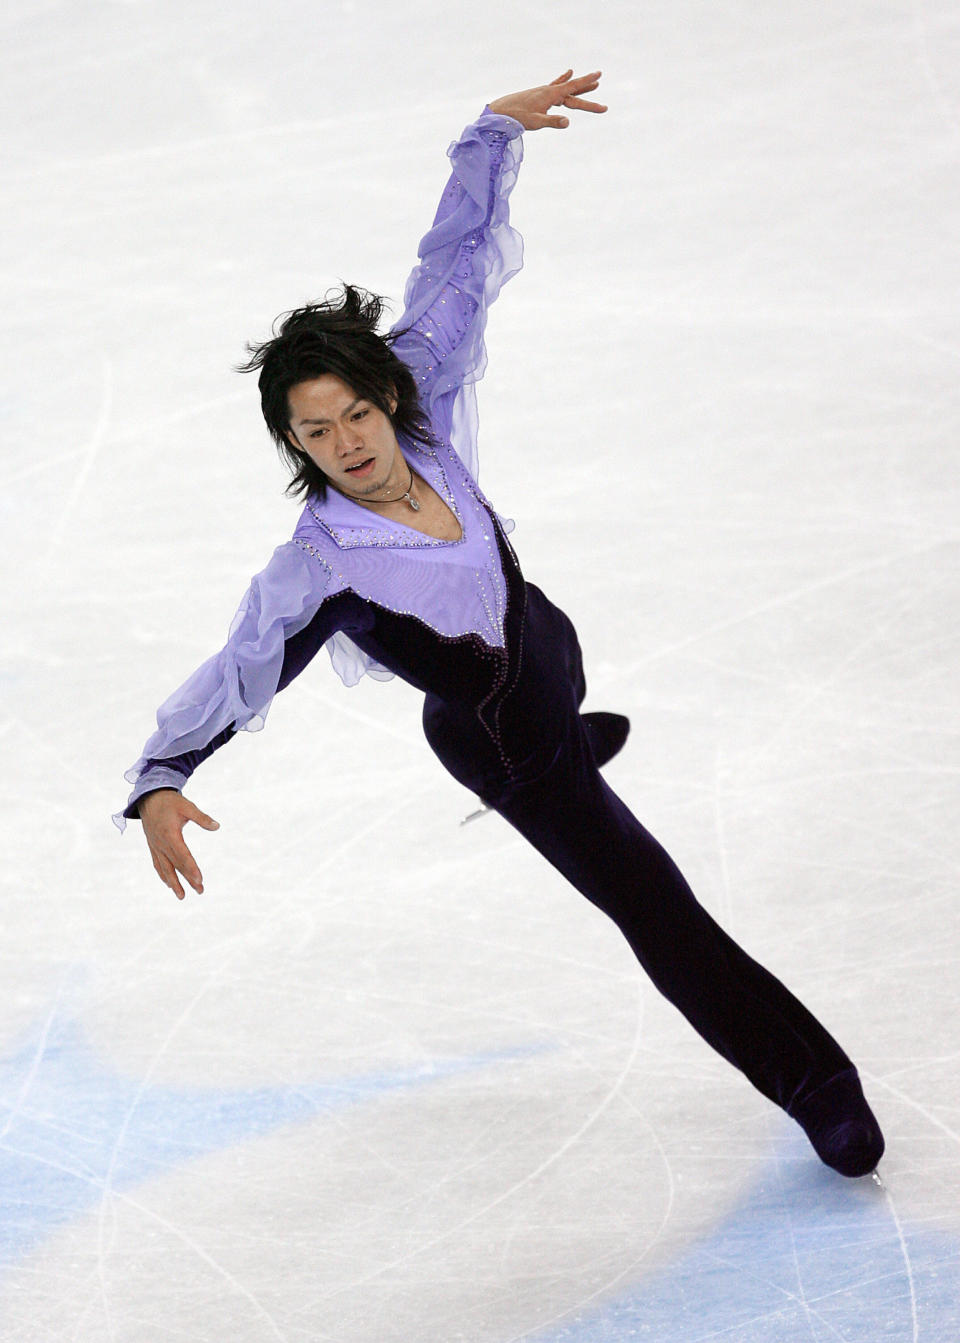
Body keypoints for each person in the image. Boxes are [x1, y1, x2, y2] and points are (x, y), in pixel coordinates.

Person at [114, 70, 885, 1179]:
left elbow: (455, 270)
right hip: (500, 738)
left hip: (540, 645)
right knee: (656, 903)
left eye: (357, 413)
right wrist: (162, 774)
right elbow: (243, 663)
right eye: (316, 431)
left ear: (385, 396)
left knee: (554, 647)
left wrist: (488, 136)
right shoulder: (322, 565)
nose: (347, 442)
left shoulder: (420, 408)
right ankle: (818, 1082)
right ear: (296, 444)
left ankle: (574, 723)